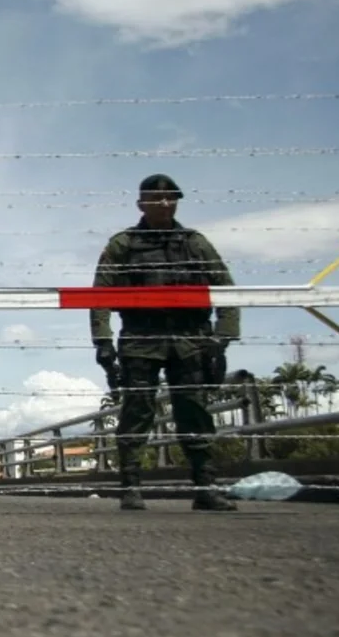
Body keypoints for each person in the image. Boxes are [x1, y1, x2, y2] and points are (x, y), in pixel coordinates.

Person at [90, 174, 239, 512]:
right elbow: (98, 296)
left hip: (191, 339)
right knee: (137, 411)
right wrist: (103, 342)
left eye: (171, 198)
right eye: (157, 199)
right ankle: (130, 486)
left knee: (195, 412)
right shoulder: (123, 244)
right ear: (141, 203)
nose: (165, 203)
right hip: (141, 338)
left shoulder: (194, 243)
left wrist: (222, 337)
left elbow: (227, 289)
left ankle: (206, 487)